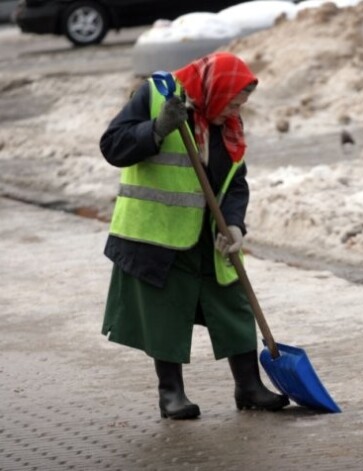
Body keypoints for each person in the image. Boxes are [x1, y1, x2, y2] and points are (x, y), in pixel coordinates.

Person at [99, 51, 289, 419]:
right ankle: (171, 394)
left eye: (241, 103)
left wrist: (234, 224)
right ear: (216, 88)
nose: (235, 111)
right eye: (233, 101)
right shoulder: (157, 94)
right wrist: (156, 129)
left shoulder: (227, 124)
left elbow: (236, 182)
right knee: (165, 314)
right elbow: (112, 146)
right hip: (157, 235)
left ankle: (249, 387)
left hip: (208, 235)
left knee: (233, 305)